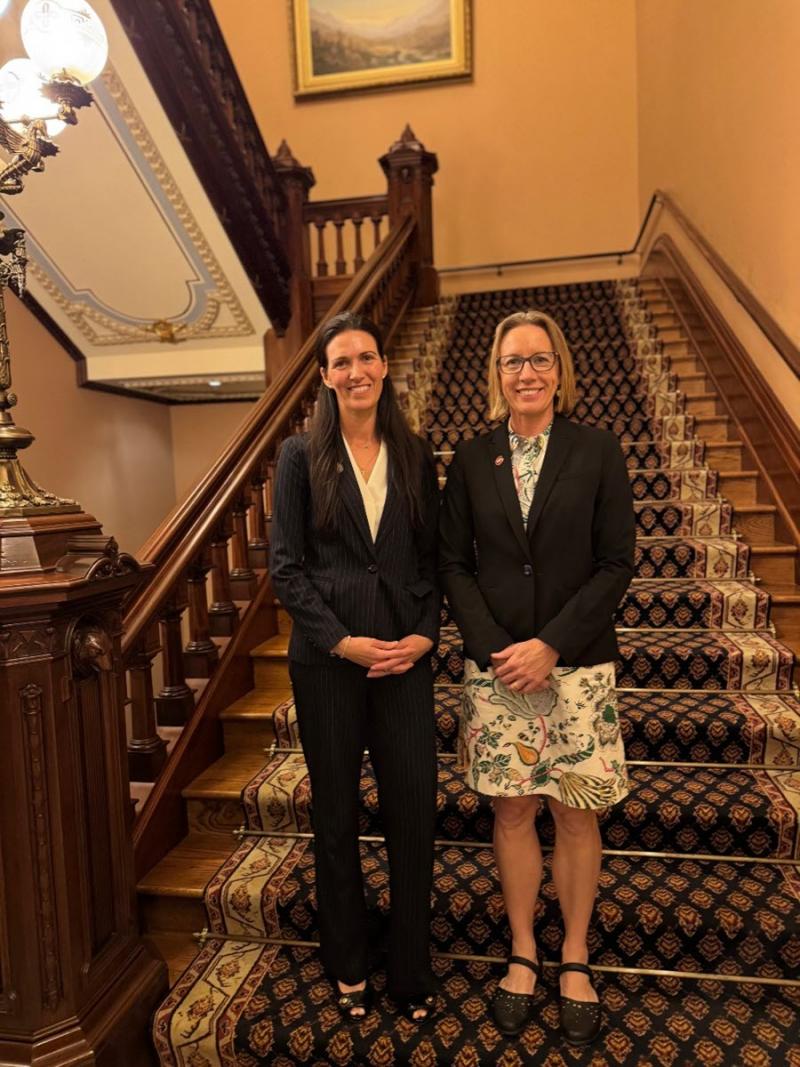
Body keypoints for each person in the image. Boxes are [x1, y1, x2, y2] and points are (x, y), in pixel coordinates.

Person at [438, 309, 635, 1046]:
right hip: (497, 674)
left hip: (577, 667)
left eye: (540, 359)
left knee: (576, 813)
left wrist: (550, 644)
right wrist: (496, 649)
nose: (527, 372)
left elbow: (617, 563)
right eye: (514, 360)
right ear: (496, 372)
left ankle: (575, 956)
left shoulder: (598, 450)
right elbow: (452, 563)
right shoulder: (470, 457)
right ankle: (523, 949)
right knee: (514, 811)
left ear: (560, 371)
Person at [270, 310, 440, 1023]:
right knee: (335, 818)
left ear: (385, 366)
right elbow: (285, 568)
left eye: (367, 357)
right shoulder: (298, 456)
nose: (357, 371)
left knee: (412, 819)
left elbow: (434, 562)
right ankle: (347, 963)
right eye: (342, 361)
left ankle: (410, 970)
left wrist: (424, 637)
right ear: (323, 376)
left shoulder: (417, 452)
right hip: (328, 666)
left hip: (405, 664)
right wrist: (341, 640)